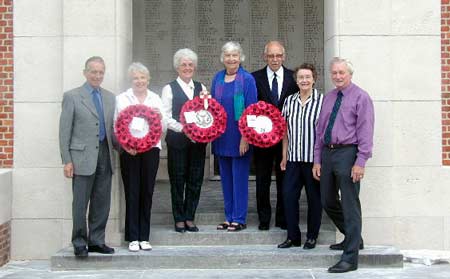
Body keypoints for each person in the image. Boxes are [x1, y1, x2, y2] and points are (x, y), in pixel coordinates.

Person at [312, 57, 374, 273]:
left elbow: (366, 131)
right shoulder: (328, 98)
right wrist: (317, 159)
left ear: (350, 74)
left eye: (342, 73)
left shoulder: (361, 97)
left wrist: (361, 161)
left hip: (348, 153)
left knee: (349, 204)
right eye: (334, 73)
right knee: (327, 200)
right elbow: (319, 131)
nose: (337, 76)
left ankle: (350, 258)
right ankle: (353, 237)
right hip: (328, 154)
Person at [59, 56, 116, 258]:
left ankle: (97, 241)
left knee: (102, 202)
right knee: (80, 203)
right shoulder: (72, 96)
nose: (97, 76)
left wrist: (129, 145)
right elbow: (64, 131)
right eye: (93, 71)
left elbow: (112, 130)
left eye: (101, 72)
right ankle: (79, 241)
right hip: (81, 157)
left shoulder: (110, 97)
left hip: (105, 154)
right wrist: (66, 160)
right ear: (85, 72)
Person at [114, 62, 166, 252]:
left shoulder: (155, 98)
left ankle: (145, 236)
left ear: (148, 79)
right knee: (132, 192)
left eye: (142, 77)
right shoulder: (122, 99)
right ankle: (132, 237)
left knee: (147, 192)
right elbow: (116, 125)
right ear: (131, 79)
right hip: (130, 151)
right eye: (136, 77)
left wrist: (160, 118)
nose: (139, 81)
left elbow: (164, 127)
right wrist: (125, 145)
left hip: (151, 150)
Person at [251, 41, 298, 230]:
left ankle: (282, 218)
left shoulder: (293, 78)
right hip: (261, 139)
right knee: (262, 180)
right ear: (265, 57)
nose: (275, 59)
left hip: (285, 139)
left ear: (284, 57)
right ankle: (264, 218)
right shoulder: (254, 78)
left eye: (278, 55)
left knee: (284, 179)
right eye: (271, 56)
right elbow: (250, 108)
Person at [211, 41, 257, 232]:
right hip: (221, 135)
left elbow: (251, 110)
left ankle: (239, 218)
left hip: (240, 137)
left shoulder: (247, 79)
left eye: (235, 55)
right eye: (228, 55)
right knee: (226, 179)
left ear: (240, 58)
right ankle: (228, 217)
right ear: (223, 58)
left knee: (239, 179)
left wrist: (245, 136)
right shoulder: (218, 78)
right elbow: (212, 107)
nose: (231, 59)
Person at [161, 48, 208, 233]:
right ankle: (179, 218)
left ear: (194, 67)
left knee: (195, 180)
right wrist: (184, 129)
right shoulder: (169, 88)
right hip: (177, 142)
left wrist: (201, 131)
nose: (187, 68)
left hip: (197, 143)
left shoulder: (201, 87)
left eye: (190, 64)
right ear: (177, 67)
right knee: (178, 180)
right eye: (183, 64)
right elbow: (165, 116)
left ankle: (190, 217)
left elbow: (207, 113)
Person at [279, 63, 323, 249]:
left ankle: (312, 236)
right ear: (296, 81)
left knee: (314, 199)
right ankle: (293, 236)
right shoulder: (289, 101)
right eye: (301, 78)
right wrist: (283, 157)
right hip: (293, 159)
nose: (304, 80)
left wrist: (319, 161)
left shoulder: (322, 101)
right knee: (288, 197)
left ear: (314, 79)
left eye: (308, 77)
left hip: (313, 161)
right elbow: (284, 133)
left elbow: (323, 134)